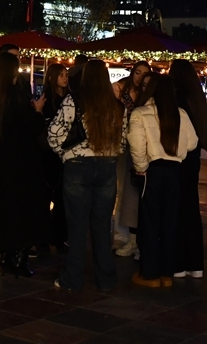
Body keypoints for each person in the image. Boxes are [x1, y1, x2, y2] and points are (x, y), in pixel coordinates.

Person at [48, 60, 126, 292]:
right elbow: (122, 141)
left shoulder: (74, 101)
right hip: (107, 167)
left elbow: (54, 135)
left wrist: (66, 154)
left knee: (77, 226)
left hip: (78, 166)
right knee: (102, 226)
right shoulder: (116, 106)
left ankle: (73, 278)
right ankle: (106, 279)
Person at [0, 52, 49, 274]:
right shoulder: (16, 96)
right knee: (20, 209)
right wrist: (38, 111)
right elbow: (32, 126)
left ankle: (5, 252)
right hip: (19, 162)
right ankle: (17, 257)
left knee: (1, 207)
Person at [128, 74, 198, 288]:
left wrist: (141, 168)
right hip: (174, 171)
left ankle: (150, 274)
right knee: (170, 222)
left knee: (150, 223)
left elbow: (137, 146)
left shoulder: (140, 113)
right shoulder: (180, 113)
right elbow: (193, 143)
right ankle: (167, 273)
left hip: (152, 171)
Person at [168, 59, 207, 279]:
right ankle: (195, 263)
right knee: (191, 208)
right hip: (193, 157)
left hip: (178, 156)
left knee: (177, 209)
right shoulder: (197, 98)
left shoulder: (177, 98)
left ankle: (178, 263)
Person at [112, 61, 151, 258]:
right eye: (137, 72)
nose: (140, 77)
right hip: (120, 142)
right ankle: (121, 233)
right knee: (120, 189)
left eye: (144, 74)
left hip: (138, 144)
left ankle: (130, 235)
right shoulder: (119, 89)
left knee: (131, 191)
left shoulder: (146, 95)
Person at [41, 63, 70, 249]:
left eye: (66, 75)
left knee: (61, 196)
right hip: (48, 153)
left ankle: (58, 235)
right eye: (61, 75)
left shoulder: (68, 98)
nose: (65, 78)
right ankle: (45, 236)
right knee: (46, 194)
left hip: (63, 153)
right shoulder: (47, 99)